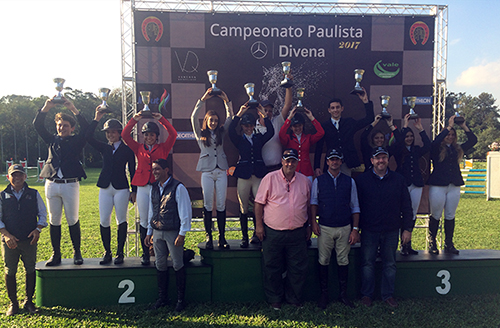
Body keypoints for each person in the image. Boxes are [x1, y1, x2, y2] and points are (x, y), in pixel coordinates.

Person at [33, 96, 89, 266]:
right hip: (52, 184)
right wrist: (46, 108)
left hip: (70, 185)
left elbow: (87, 129)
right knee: (53, 220)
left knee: (72, 219)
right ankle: (56, 254)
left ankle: (77, 252)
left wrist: (74, 109)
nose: (61, 128)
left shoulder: (77, 140)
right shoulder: (52, 140)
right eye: (59, 125)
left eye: (65, 125)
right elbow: (37, 125)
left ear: (71, 128)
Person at [355, 146, 413, 308]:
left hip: (391, 230)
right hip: (369, 229)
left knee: (390, 264)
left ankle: (387, 295)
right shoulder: (361, 181)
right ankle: (367, 295)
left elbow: (406, 206)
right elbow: (355, 207)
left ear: (388, 160)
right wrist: (356, 229)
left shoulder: (399, 179)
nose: (381, 161)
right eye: (377, 158)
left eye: (384, 158)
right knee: (367, 263)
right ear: (372, 160)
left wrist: (407, 228)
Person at [254, 148, 312, 310]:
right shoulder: (269, 178)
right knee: (272, 267)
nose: (290, 163)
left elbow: (308, 206)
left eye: (293, 160)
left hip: (298, 232)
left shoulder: (305, 181)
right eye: (287, 160)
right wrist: (259, 226)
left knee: (298, 267)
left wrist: (308, 226)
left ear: (297, 162)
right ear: (282, 161)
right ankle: (275, 299)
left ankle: (294, 299)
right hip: (273, 232)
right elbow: (259, 204)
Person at [121, 111, 177, 265]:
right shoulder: (138, 147)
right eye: (146, 135)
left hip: (158, 187)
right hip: (142, 187)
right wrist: (135, 119)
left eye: (152, 135)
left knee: (160, 219)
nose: (149, 137)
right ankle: (145, 254)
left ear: (156, 136)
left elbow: (173, 134)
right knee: (144, 220)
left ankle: (161, 251)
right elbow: (125, 135)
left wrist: (161, 119)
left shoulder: (164, 148)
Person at [86, 107, 136, 264]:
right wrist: (96, 118)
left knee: (121, 219)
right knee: (104, 220)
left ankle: (120, 253)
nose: (110, 135)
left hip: (121, 187)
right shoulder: (104, 147)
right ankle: (107, 252)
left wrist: (133, 191)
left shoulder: (127, 150)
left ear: (119, 132)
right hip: (105, 188)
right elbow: (88, 137)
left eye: (113, 132)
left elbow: (133, 171)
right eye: (107, 132)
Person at [311, 149, 360, 309]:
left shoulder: (349, 181)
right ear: (327, 162)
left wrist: (355, 229)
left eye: (337, 160)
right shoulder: (319, 181)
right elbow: (314, 203)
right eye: (331, 159)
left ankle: (343, 295)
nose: (334, 162)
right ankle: (324, 294)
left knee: (343, 260)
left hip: (345, 227)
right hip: (324, 226)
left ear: (341, 161)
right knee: (323, 260)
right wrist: (313, 222)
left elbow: (355, 206)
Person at [426, 115, 477, 255]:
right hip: (438, 185)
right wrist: (448, 126)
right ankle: (432, 242)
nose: (450, 136)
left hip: (453, 185)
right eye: (448, 134)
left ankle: (449, 242)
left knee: (450, 215)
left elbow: (473, 140)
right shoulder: (436, 148)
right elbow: (435, 142)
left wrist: (464, 126)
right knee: (436, 214)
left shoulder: (457, 149)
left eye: (452, 134)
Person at [0, 164, 47, 315]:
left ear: (25, 176)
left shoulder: (34, 194)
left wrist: (38, 229)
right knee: (10, 270)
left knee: (30, 268)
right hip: (10, 241)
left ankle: (29, 301)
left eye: (20, 174)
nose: (17, 177)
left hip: (29, 240)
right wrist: (7, 235)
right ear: (8, 177)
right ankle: (13, 303)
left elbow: (43, 214)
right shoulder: (2, 195)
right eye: (14, 175)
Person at [146, 159, 192, 312]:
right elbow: (152, 211)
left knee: (178, 264)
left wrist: (183, 233)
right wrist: (149, 231)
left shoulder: (178, 187)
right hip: (157, 231)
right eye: (153, 169)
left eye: (158, 169)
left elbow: (185, 211)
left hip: (173, 231)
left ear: (167, 170)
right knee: (160, 264)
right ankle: (163, 298)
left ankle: (180, 300)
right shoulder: (153, 188)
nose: (155, 172)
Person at [191, 88, 233, 250]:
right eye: (211, 120)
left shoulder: (222, 132)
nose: (213, 123)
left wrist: (226, 100)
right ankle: (209, 236)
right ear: (207, 121)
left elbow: (230, 118)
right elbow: (193, 117)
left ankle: (222, 237)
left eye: (216, 120)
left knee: (221, 205)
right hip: (207, 172)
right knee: (208, 205)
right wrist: (202, 99)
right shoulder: (200, 133)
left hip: (221, 171)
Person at [229, 104, 274, 248]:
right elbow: (230, 130)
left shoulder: (259, 138)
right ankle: (244, 236)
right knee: (243, 207)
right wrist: (239, 113)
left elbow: (271, 131)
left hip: (258, 175)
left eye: (250, 125)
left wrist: (263, 115)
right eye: (245, 125)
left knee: (259, 205)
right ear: (242, 126)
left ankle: (257, 234)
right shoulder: (238, 139)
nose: (248, 128)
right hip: (243, 176)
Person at [393, 114, 431, 255]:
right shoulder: (398, 150)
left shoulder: (416, 149)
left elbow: (428, 145)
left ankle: (407, 245)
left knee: (412, 214)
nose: (409, 138)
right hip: (403, 185)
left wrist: (420, 128)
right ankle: (398, 243)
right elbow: (397, 141)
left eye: (410, 136)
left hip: (416, 184)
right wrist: (404, 125)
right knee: (400, 213)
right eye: (407, 136)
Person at [314, 88, 374, 176]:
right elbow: (319, 148)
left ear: (342, 108)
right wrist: (317, 166)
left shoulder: (349, 123)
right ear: (329, 110)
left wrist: (365, 102)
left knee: (346, 186)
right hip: (331, 162)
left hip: (347, 163)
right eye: (333, 108)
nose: (335, 110)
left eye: (337, 107)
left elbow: (369, 119)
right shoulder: (324, 126)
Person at [255, 76, 293, 173]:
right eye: (265, 110)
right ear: (259, 111)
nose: (267, 113)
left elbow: (287, 105)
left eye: (270, 111)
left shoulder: (277, 121)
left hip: (278, 169)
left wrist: (288, 85)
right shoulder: (253, 128)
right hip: (261, 170)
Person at [279, 107, 324, 181]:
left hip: (306, 172)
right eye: (295, 126)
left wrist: (311, 118)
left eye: (299, 125)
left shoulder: (308, 138)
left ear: (303, 125)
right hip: (293, 171)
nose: (298, 128)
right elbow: (281, 134)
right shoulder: (288, 138)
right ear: (291, 127)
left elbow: (321, 133)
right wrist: (289, 118)